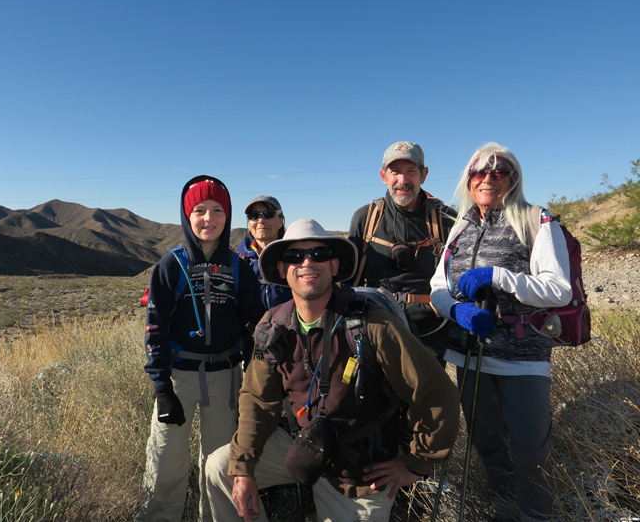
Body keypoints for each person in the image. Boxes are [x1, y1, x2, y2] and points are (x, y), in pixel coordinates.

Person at [205, 219, 459, 521]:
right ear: (285, 271)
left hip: (361, 473)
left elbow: (436, 392)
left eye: (319, 254)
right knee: (221, 467)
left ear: (335, 266)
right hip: (305, 446)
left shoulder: (372, 325)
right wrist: (244, 468)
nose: (307, 262)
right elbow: (257, 401)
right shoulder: (273, 325)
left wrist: (416, 462)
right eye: (295, 257)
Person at [430, 143, 572, 522]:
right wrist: (456, 310)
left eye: (500, 171)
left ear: (514, 178)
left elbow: (559, 289)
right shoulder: (459, 226)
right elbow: (438, 287)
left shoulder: (536, 220)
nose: (489, 178)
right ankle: (504, 511)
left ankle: (536, 516)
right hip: (469, 357)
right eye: (480, 171)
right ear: (468, 179)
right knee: (488, 446)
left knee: (530, 454)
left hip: (524, 360)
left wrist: (498, 277)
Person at [136, 175, 266, 522]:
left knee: (220, 466)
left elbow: (255, 329)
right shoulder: (170, 266)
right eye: (200, 211)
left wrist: (254, 378)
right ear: (187, 215)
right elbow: (154, 330)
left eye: (217, 211)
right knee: (166, 464)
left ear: (228, 216)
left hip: (225, 379)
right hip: (179, 378)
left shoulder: (240, 268)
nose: (209, 218)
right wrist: (162, 388)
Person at [348, 141, 456, 362]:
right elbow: (348, 279)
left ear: (423, 175)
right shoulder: (365, 218)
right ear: (383, 176)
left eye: (411, 172)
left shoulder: (446, 219)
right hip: (376, 326)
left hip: (431, 332)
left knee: (426, 396)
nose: (403, 181)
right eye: (395, 172)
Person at [236, 195, 292, 309]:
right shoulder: (238, 260)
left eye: (268, 214)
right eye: (254, 216)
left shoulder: (294, 256)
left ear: (281, 220)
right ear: (249, 222)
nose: (261, 220)